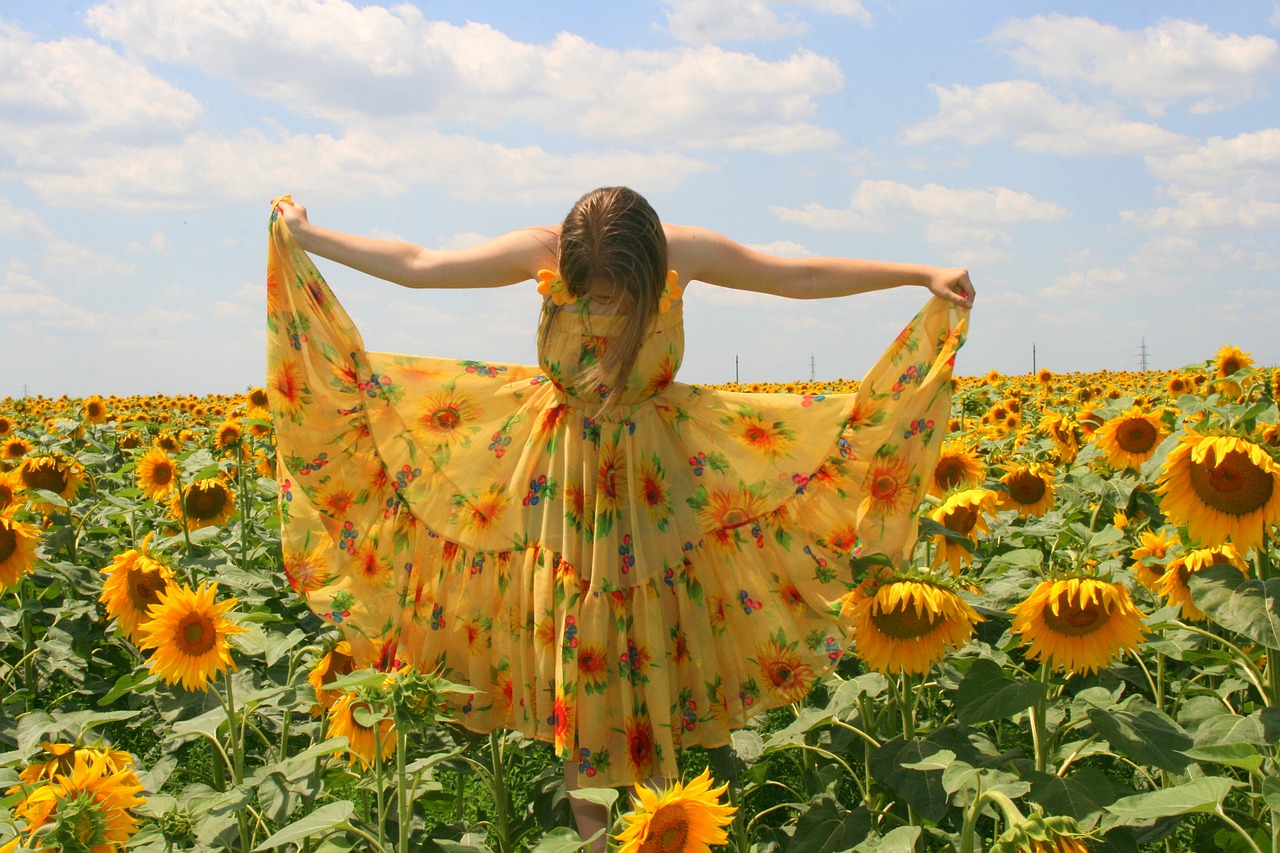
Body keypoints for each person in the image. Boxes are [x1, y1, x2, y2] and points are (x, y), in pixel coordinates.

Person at [267, 187, 972, 846]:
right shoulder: (538, 250)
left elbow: (801, 275)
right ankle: (599, 838)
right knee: (587, 681)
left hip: (658, 495)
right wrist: (309, 235)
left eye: (619, 295)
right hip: (562, 493)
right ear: (564, 266)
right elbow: (420, 265)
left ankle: (664, 827)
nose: (603, 302)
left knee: (655, 672)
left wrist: (919, 274)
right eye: (589, 293)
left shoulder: (683, 253)